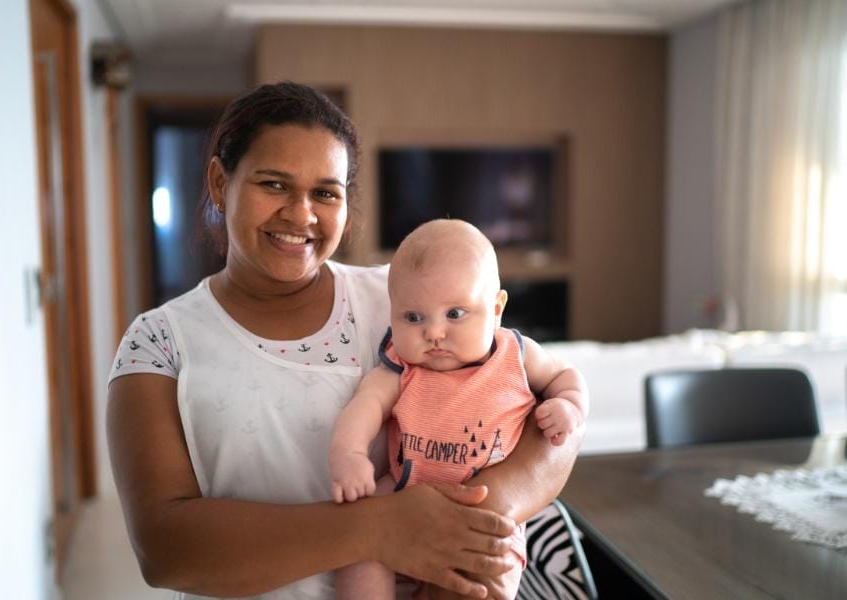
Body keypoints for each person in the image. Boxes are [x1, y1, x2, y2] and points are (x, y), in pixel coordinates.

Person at [106, 81, 583, 600]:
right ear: (221, 183)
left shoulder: (402, 300)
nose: (301, 213)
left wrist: (471, 525)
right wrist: (381, 527)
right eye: (274, 184)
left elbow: (543, 415)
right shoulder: (159, 343)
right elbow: (164, 548)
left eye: (325, 193)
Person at [329, 219, 588, 599]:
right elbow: (364, 406)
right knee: (359, 548)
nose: (434, 333)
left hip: (483, 516)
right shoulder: (402, 368)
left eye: (454, 314)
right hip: (402, 499)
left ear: (496, 308)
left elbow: (566, 375)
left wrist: (569, 405)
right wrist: (348, 455)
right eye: (413, 317)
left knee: (485, 580)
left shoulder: (516, 355)